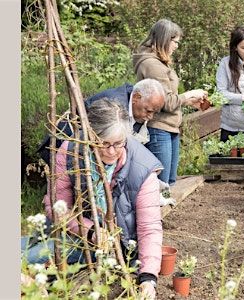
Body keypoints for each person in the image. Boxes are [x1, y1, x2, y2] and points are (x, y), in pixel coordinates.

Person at [21, 99, 165, 298]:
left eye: (118, 144)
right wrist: (90, 231)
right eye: (103, 143)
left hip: (115, 247)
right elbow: (57, 207)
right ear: (89, 136)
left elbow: (150, 227)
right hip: (77, 233)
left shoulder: (142, 167)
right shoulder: (70, 152)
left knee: (27, 256)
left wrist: (148, 278)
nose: (111, 151)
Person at [132, 18, 208, 185]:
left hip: (169, 127)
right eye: (175, 42)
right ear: (164, 39)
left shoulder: (159, 62)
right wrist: (189, 95)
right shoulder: (152, 65)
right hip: (159, 129)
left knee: (170, 182)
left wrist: (188, 102)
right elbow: (164, 102)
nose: (176, 46)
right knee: (161, 185)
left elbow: (169, 96)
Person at [34, 79, 166, 163]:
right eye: (148, 111)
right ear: (137, 97)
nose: (151, 116)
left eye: (155, 112)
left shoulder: (133, 102)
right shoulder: (116, 105)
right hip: (63, 146)